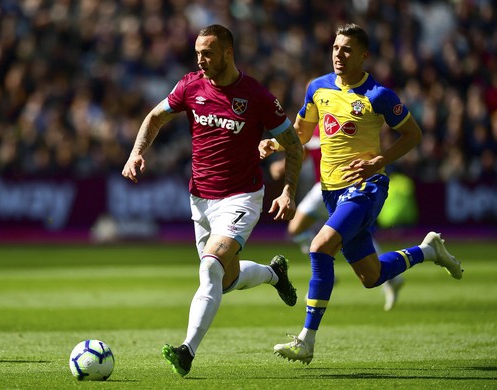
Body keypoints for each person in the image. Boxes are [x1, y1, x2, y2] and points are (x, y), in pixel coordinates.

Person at [268, 23, 463, 365]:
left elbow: (413, 135)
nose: (339, 55)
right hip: (330, 192)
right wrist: (274, 142)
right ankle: (428, 251)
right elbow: (300, 132)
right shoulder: (317, 88)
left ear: (364, 55)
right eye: (335, 48)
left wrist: (380, 161)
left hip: (365, 188)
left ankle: (306, 340)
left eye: (347, 50)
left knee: (320, 246)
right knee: (371, 277)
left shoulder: (378, 95)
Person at [121, 24, 304, 377]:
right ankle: (272, 274)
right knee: (224, 280)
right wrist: (136, 153)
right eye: (197, 54)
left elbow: (293, 145)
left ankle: (186, 351)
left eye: (207, 53)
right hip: (200, 199)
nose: (200, 60)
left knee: (209, 268)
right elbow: (154, 118)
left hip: (242, 197)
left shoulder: (257, 96)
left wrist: (288, 191)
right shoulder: (190, 85)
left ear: (228, 53)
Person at [260, 125, 405, 312]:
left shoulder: (339, 120)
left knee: (351, 235)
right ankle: (332, 265)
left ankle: (390, 276)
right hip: (323, 188)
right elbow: (303, 152)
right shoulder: (313, 125)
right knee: (299, 229)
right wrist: (283, 165)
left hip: (345, 185)